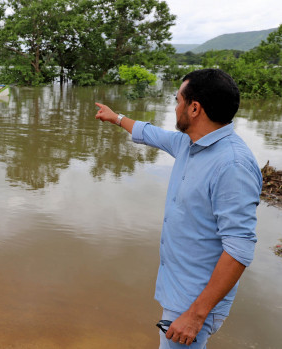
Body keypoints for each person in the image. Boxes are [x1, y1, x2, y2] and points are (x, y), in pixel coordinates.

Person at [95, 69, 261, 348]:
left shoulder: (232, 165)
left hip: (195, 301)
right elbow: (153, 134)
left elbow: (240, 248)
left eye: (177, 101)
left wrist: (196, 315)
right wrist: (117, 118)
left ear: (194, 108)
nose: (174, 108)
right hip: (179, 289)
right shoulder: (190, 143)